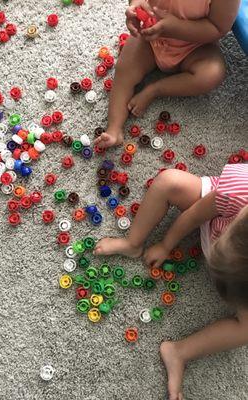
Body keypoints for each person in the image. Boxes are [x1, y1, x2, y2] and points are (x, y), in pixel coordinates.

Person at [94, 163, 248, 400]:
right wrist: (166, 244)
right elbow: (196, 214)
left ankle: (179, 352)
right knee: (169, 181)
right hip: (215, 212)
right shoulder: (239, 191)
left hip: (237, 262)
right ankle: (132, 243)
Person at [95, 0, 240, 149]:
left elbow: (218, 27)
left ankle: (157, 89)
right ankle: (114, 129)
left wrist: (174, 27)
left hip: (195, 46)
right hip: (151, 38)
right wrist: (135, 8)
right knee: (125, 70)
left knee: (212, 73)